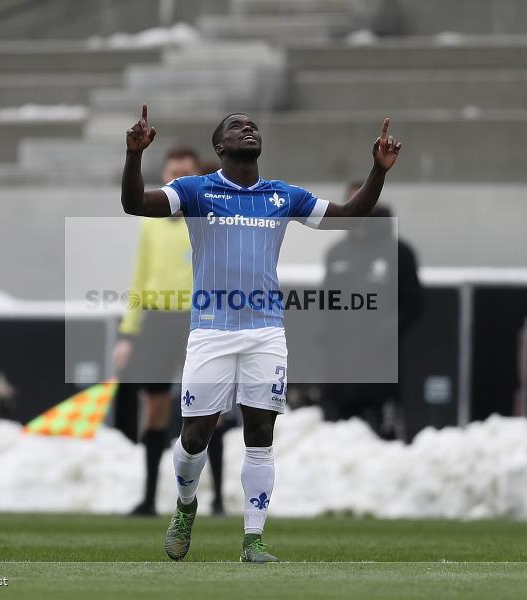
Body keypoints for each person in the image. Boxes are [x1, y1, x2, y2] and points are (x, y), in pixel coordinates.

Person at [121, 105, 402, 562]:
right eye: (235, 126)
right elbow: (135, 204)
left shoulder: (281, 196)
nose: (247, 127)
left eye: (251, 125)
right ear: (220, 146)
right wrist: (133, 156)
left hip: (265, 332)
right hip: (211, 330)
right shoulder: (195, 190)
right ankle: (185, 506)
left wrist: (378, 170)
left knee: (260, 432)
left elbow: (349, 215)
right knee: (195, 437)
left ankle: (253, 539)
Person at [114, 147, 226, 517]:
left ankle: (218, 499)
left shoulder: (210, 217)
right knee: (156, 409)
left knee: (211, 411)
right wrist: (128, 334)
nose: (177, 180)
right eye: (172, 174)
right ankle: (148, 498)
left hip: (200, 320)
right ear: (164, 177)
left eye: (184, 174)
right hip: (158, 321)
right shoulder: (150, 221)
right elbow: (139, 278)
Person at [320, 190, 423, 439]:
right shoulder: (338, 253)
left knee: (385, 441)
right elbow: (326, 301)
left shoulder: (398, 252)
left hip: (383, 367)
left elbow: (414, 303)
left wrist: (388, 330)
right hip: (342, 368)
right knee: (341, 441)